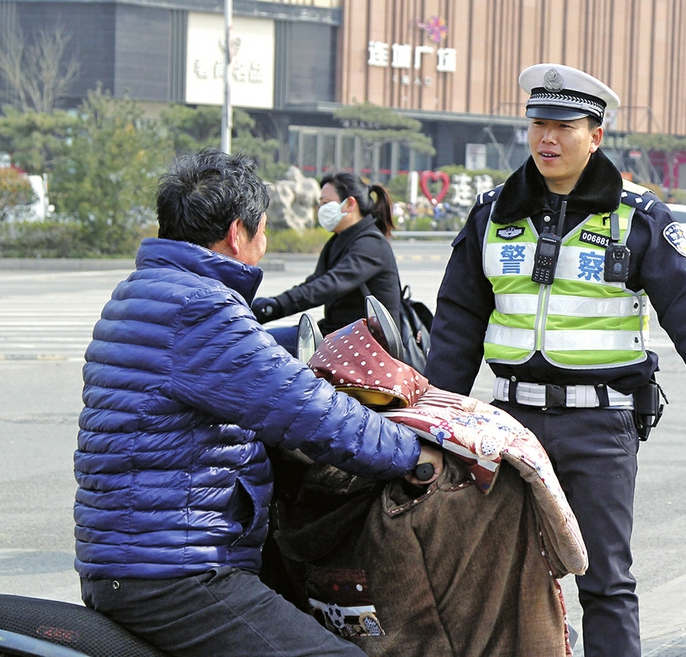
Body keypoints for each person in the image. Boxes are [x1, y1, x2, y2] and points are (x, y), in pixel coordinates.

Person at [422, 63, 686, 656]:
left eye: (562, 126)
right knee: (515, 577)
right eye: (537, 125)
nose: (545, 139)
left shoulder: (637, 216)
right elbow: (457, 322)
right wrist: (432, 416)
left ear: (596, 135)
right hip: (513, 423)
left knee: (605, 581)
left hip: (601, 425)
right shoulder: (493, 212)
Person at [74, 148, 441, 657]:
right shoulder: (201, 307)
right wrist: (416, 454)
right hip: (174, 571)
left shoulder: (143, 291)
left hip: (135, 556)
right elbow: (306, 408)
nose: (264, 241)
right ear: (236, 233)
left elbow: (251, 370)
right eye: (262, 229)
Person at [251, 171, 401, 354]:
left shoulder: (371, 244)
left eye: (325, 203)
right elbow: (315, 282)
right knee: (262, 341)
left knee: (262, 346)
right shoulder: (340, 241)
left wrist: (275, 306)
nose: (320, 209)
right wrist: (271, 305)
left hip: (367, 346)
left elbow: (329, 285)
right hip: (339, 334)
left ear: (350, 204)